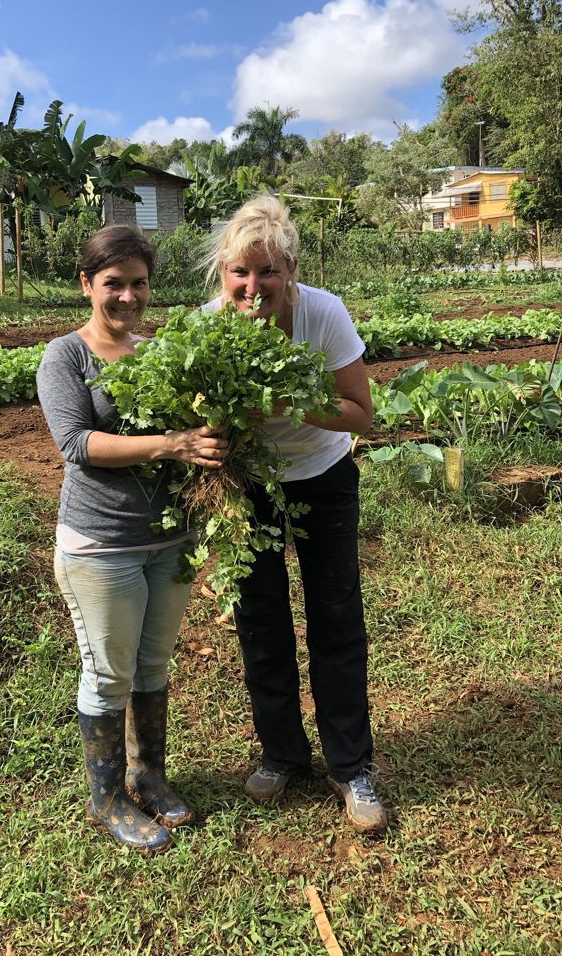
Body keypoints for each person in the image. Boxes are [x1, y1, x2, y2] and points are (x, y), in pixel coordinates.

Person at [37, 225, 228, 855]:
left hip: (170, 541)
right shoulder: (66, 358)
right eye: (112, 283)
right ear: (87, 285)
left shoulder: (156, 353)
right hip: (101, 546)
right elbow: (78, 445)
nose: (126, 297)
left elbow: (194, 427)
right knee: (109, 672)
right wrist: (172, 444)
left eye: (138, 283)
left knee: (151, 665)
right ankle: (107, 798)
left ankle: (149, 775)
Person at [203, 195, 387, 833]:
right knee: (260, 622)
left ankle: (351, 766)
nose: (253, 287)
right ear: (224, 275)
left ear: (292, 273)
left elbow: (361, 414)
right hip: (249, 487)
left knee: (335, 619)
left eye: (267, 273)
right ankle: (282, 754)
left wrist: (285, 402)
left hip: (323, 478)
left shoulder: (323, 315)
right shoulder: (209, 326)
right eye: (239, 274)